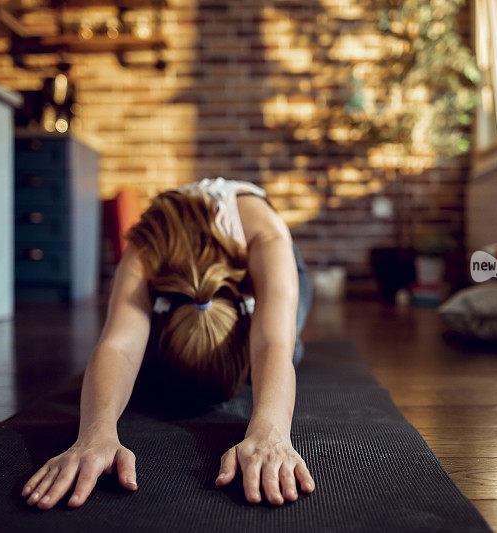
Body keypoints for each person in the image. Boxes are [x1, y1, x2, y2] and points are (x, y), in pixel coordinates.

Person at [20, 177, 314, 509]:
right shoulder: (149, 245)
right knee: (139, 356)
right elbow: (118, 345)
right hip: (175, 260)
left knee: (289, 344)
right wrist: (93, 433)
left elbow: (269, 343)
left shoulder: (267, 235)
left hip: (259, 255)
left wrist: (269, 431)